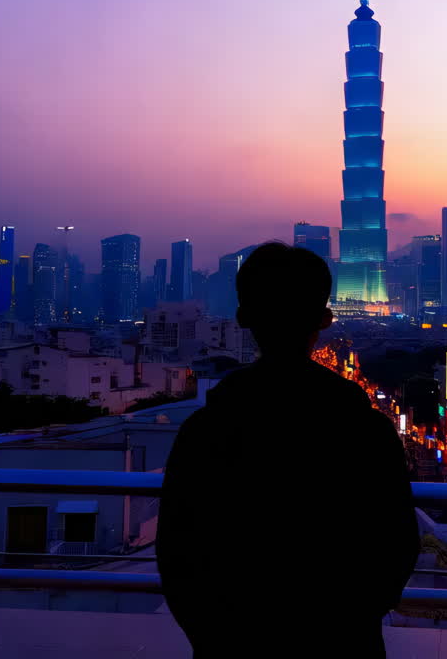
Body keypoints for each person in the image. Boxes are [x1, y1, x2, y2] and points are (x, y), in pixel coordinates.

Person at [157, 242, 419, 658]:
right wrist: (351, 620)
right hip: (342, 641)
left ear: (243, 317)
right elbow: (397, 544)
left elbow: (178, 553)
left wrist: (215, 636)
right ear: (325, 319)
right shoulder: (362, 429)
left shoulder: (208, 430)